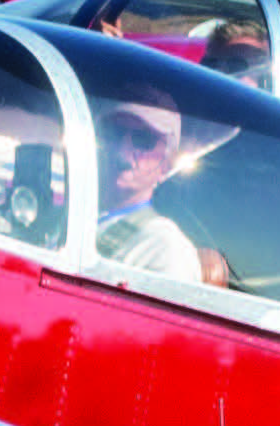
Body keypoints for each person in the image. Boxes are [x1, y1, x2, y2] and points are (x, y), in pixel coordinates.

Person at [93, 100, 235, 288]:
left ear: (165, 166)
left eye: (143, 140)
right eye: (116, 133)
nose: (123, 151)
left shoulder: (165, 247)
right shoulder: (70, 215)